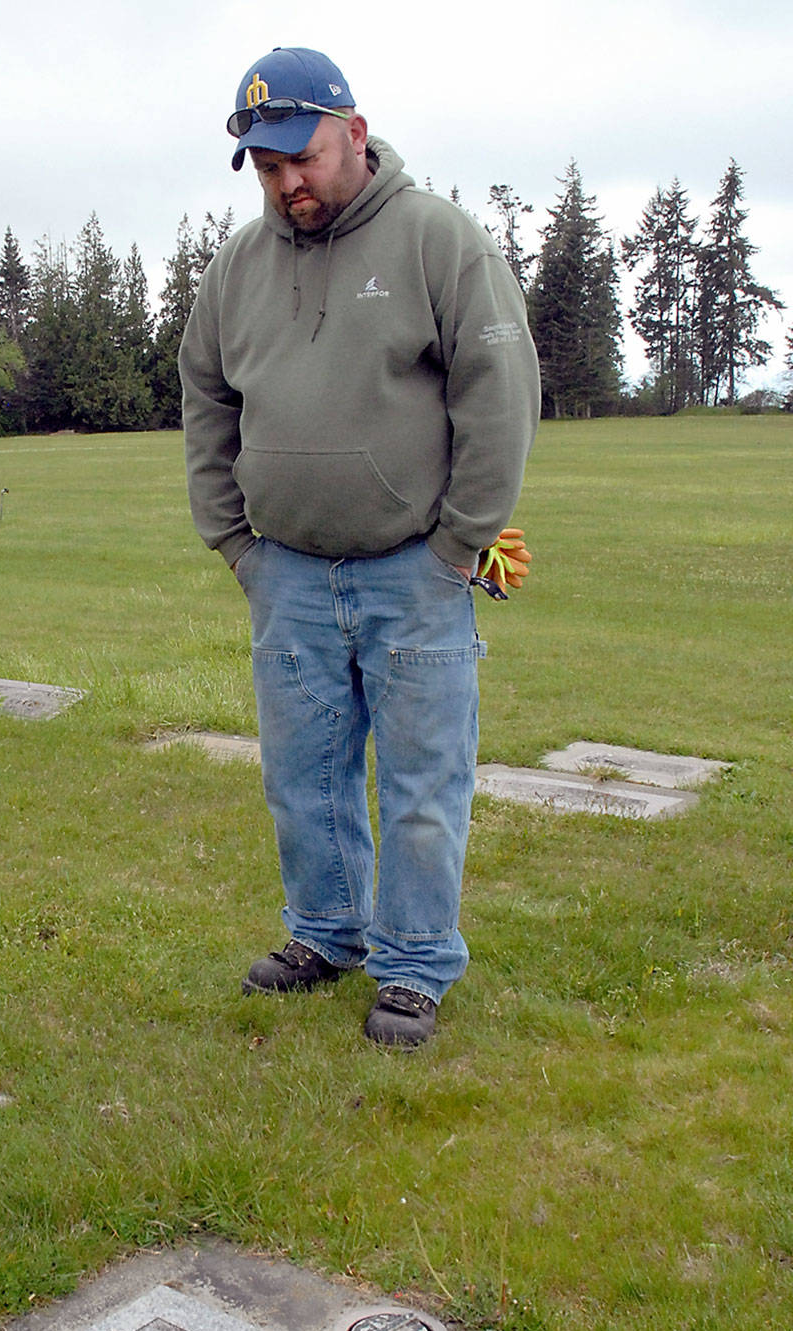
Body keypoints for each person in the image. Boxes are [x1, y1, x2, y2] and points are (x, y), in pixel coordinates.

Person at [178, 45, 540, 1047]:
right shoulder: (237, 268)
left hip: (413, 571)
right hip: (285, 573)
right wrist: (236, 545)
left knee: (423, 782)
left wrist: (458, 545)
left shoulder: (436, 240)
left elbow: (498, 396)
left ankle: (415, 967)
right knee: (300, 779)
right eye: (264, 164)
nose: (287, 181)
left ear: (353, 131)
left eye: (300, 156)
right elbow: (203, 397)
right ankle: (325, 935)